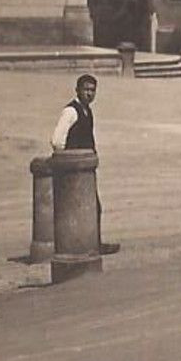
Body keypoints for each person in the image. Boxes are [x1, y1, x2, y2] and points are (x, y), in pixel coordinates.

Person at [48, 74, 120, 255]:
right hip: (73, 169)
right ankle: (84, 245)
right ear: (77, 90)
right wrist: (70, 159)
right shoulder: (71, 112)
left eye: (92, 90)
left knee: (94, 207)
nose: (89, 93)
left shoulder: (87, 111)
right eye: (86, 89)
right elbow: (57, 140)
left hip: (86, 169)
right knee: (78, 208)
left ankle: (93, 243)